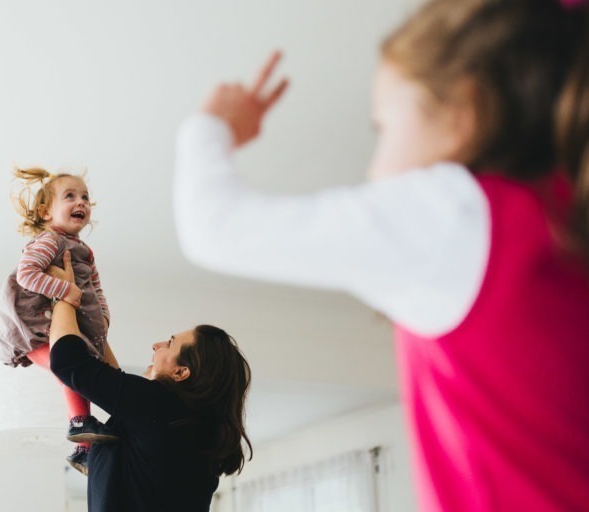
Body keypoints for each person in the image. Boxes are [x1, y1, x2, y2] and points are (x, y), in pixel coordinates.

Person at [173, 1, 589, 511]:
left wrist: (212, 125)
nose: (373, 170)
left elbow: (213, 227)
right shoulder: (564, 212)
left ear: (465, 111)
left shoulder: (457, 217)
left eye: (383, 127)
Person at [47, 251, 252, 511]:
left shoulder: (160, 407)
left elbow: (67, 361)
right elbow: (112, 382)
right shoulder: (190, 428)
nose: (156, 345)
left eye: (169, 343)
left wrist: (63, 295)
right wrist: (92, 324)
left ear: (181, 372)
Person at [0, 167, 119, 474]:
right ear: (45, 212)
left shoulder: (84, 251)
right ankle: (79, 425)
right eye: (70, 196)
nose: (81, 202)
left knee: (77, 372)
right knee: (71, 370)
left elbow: (95, 286)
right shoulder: (50, 241)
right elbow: (27, 273)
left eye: (85, 197)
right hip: (35, 329)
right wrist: (66, 290)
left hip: (59, 327)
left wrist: (102, 314)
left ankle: (83, 449)